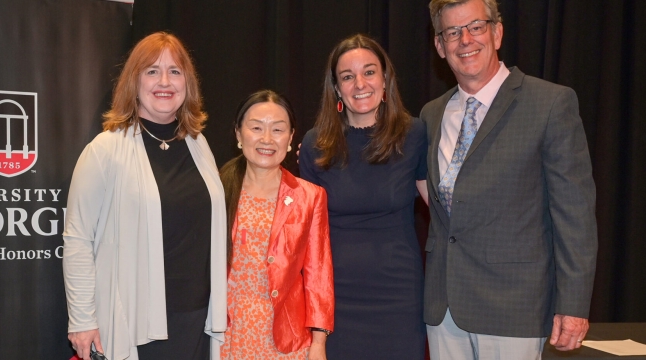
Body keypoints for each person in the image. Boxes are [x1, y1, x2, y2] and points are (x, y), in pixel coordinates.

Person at [421, 0, 598, 358]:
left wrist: (574, 304)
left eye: (475, 27)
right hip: (444, 309)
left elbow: (574, 216)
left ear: (497, 32)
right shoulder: (431, 114)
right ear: (440, 46)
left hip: (513, 309)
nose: (465, 40)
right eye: (452, 32)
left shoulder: (550, 104)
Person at [62, 32, 227, 360]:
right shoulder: (104, 150)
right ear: (133, 81)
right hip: (134, 326)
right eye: (152, 71)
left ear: (187, 83)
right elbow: (78, 239)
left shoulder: (198, 145)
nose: (164, 81)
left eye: (175, 71)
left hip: (196, 321)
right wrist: (82, 320)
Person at [298, 34, 429, 359]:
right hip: (337, 301)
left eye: (369, 72)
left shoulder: (414, 135)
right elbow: (308, 239)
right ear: (336, 87)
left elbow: (441, 211)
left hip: (398, 298)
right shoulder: (315, 144)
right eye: (347, 76)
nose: (360, 84)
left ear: (385, 79)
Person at [219, 90, 334, 360]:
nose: (267, 139)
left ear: (291, 137)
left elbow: (319, 277)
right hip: (225, 335)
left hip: (284, 340)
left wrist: (318, 343)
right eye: (256, 128)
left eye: (278, 129)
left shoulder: (310, 196)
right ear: (238, 134)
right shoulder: (216, 189)